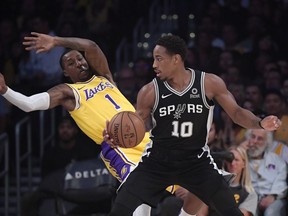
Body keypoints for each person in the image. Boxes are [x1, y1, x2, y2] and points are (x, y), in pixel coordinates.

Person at [107, 35, 282, 216]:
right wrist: (119, 136)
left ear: (176, 59)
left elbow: (237, 113)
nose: (154, 65)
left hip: (196, 162)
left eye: (159, 59)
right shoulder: (149, 91)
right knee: (120, 209)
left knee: (231, 211)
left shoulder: (208, 83)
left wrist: (259, 123)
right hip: (157, 162)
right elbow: (140, 125)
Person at [0, 32, 154, 216]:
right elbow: (29, 104)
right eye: (71, 63)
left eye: (80, 58)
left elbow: (91, 46)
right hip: (117, 145)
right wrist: (5, 90)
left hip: (145, 136)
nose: (79, 63)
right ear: (65, 72)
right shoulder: (69, 92)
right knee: (137, 187)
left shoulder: (104, 76)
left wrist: (56, 41)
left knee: (182, 186)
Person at [197, 146, 258, 216]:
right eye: (229, 160)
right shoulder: (213, 186)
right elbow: (201, 214)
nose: (232, 163)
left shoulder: (249, 193)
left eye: (236, 160)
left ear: (244, 164)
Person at [243, 129, 287, 216]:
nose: (255, 141)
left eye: (260, 139)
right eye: (253, 137)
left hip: (274, 198)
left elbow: (281, 182)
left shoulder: (277, 160)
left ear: (267, 142)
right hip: (250, 199)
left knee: (270, 213)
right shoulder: (242, 159)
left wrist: (273, 196)